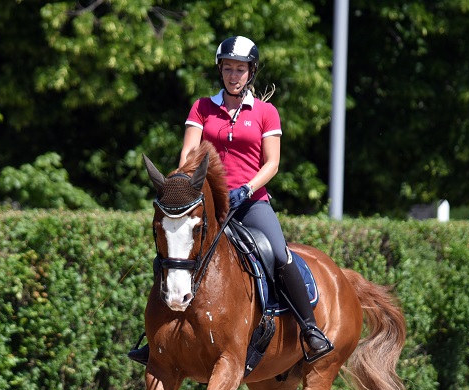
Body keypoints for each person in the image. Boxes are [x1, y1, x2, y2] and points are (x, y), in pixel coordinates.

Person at [130, 35, 332, 365]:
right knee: (171, 253)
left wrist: (247, 189)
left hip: (250, 202)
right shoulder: (202, 108)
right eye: (227, 68)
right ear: (220, 71)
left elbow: (272, 164)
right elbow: (188, 153)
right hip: (208, 203)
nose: (233, 75)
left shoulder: (266, 112)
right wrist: (185, 188)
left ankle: (310, 329)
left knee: (279, 254)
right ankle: (155, 338)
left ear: (251, 73)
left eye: (240, 69)